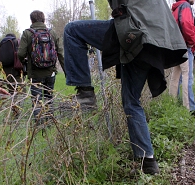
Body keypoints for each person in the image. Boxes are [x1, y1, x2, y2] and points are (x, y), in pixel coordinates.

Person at [63, 0, 188, 175]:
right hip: (153, 42)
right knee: (131, 102)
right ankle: (149, 162)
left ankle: (85, 94)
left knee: (72, 31)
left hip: (136, 33)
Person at [18, 10, 65, 118]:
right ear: (44, 20)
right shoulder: (51, 33)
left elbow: (20, 53)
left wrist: (24, 62)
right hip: (50, 73)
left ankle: (39, 125)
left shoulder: (27, 33)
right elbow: (61, 53)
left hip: (35, 74)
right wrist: (67, 71)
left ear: (32, 20)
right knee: (49, 98)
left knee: (37, 101)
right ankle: (50, 121)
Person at [169, 0, 195, 114]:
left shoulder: (175, 8)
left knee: (175, 76)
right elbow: (186, 23)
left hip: (175, 47)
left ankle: (171, 104)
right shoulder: (185, 6)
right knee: (187, 76)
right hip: (184, 45)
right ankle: (190, 108)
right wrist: (192, 42)